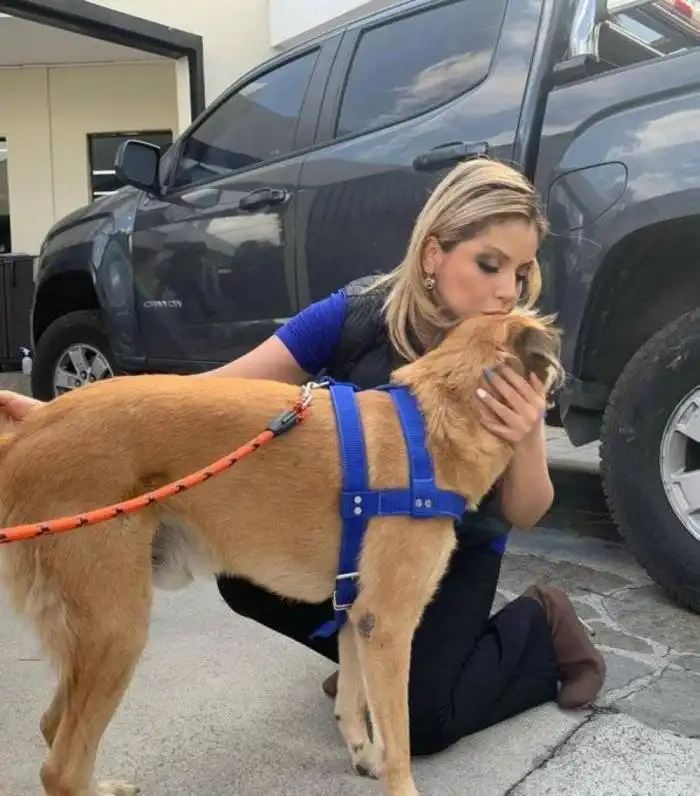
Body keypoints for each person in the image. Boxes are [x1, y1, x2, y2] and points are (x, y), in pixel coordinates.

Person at [0, 158, 605, 757]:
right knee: (243, 566)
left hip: (453, 548)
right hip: (356, 536)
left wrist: (525, 429)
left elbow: (526, 511)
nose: (506, 291)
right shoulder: (356, 314)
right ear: (433, 254)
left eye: (522, 273)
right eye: (488, 264)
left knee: (425, 724)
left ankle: (538, 627)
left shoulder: (514, 349)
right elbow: (212, 397)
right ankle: (370, 658)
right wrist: (65, 425)